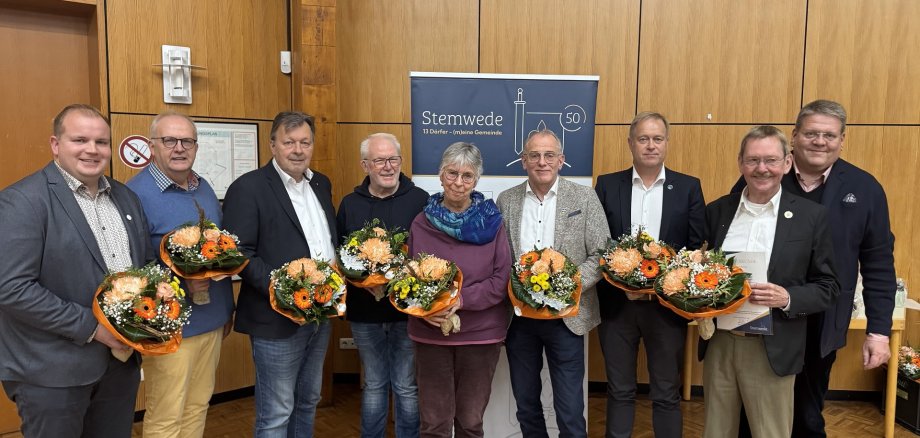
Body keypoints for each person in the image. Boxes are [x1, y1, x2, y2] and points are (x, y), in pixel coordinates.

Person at [732, 100, 896, 437]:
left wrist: (878, 332)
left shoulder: (865, 190)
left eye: (829, 135)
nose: (820, 141)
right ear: (794, 137)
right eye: (811, 133)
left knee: (807, 416)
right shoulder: (763, 177)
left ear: (841, 140)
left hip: (822, 321)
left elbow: (879, 264)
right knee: (752, 414)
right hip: (764, 318)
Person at [0, 104, 153, 437]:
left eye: (101, 142)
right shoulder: (22, 201)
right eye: (80, 139)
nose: (92, 150)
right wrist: (95, 329)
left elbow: (140, 270)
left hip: (119, 365)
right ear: (56, 144)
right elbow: (11, 288)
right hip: (51, 373)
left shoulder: (125, 198)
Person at [701, 125, 839, 437]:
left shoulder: (811, 216)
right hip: (720, 342)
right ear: (740, 163)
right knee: (716, 430)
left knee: (770, 432)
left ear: (787, 163)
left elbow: (829, 286)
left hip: (773, 343)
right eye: (752, 160)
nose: (761, 169)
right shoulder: (717, 210)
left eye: (770, 160)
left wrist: (787, 297)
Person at [222, 111, 337, 438]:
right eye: (289, 142)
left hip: (320, 315)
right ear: (273, 145)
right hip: (276, 318)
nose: (298, 150)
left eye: (305, 142)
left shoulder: (321, 183)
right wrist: (285, 290)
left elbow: (326, 241)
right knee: (276, 411)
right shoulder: (248, 188)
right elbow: (238, 252)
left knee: (308, 400)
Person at [594, 112, 706, 438]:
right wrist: (619, 279)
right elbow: (597, 242)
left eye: (657, 139)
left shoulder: (688, 187)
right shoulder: (607, 184)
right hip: (618, 307)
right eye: (643, 138)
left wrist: (668, 283)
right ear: (631, 143)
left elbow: (696, 246)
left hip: (667, 309)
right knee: (619, 390)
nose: (650, 145)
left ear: (667, 143)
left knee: (667, 393)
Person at [126, 112, 235, 438]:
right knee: (166, 415)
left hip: (211, 320)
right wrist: (179, 279)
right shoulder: (134, 194)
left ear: (196, 146)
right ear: (152, 146)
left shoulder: (203, 187)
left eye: (186, 141)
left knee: (197, 406)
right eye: (169, 140)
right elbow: (133, 267)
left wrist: (226, 309)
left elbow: (218, 251)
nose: (179, 148)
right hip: (170, 327)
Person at [496, 129, 610, 438]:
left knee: (570, 408)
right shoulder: (506, 200)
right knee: (526, 403)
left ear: (561, 160)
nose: (542, 162)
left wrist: (567, 285)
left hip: (567, 318)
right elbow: (499, 258)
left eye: (549, 155)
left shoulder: (584, 197)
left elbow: (602, 253)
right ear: (523, 161)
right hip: (520, 320)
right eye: (534, 155)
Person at [406, 142, 511, 438]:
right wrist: (424, 310)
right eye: (452, 173)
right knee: (434, 425)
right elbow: (409, 279)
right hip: (431, 334)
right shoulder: (421, 222)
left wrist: (461, 299)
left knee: (470, 422)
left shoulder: (492, 222)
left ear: (477, 180)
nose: (458, 182)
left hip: (481, 335)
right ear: (440, 175)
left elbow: (501, 278)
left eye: (467, 175)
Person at [336, 133, 428, 438]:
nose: (388, 167)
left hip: (407, 312)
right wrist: (362, 282)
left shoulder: (420, 200)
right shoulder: (350, 204)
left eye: (393, 159)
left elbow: (428, 255)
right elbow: (340, 254)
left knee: (405, 385)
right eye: (379, 160)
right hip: (365, 313)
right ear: (365, 165)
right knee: (374, 383)